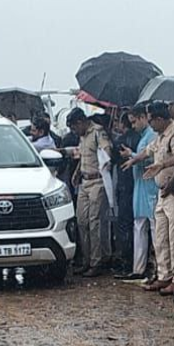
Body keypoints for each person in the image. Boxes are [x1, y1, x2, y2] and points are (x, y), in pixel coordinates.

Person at [141, 102, 174, 295]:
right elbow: (148, 151)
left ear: (159, 119)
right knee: (160, 237)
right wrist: (133, 159)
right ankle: (164, 274)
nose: (150, 124)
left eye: (151, 120)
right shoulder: (160, 137)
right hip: (162, 192)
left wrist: (170, 184)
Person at [68, 108, 112, 277]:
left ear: (80, 122)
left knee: (94, 222)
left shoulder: (97, 132)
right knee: (81, 221)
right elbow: (84, 155)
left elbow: (106, 151)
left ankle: (96, 261)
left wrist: (106, 160)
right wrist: (77, 172)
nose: (74, 131)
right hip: (84, 181)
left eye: (74, 127)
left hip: (97, 181)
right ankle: (86, 260)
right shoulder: (83, 136)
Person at [119, 104, 157, 281]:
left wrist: (132, 156)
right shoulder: (143, 137)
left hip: (150, 188)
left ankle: (159, 270)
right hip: (140, 188)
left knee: (155, 230)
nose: (133, 126)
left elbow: (151, 159)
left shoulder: (152, 136)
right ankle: (138, 269)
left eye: (134, 122)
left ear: (143, 117)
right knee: (140, 227)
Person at [111, 112, 137, 277]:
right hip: (136, 185)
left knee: (124, 225)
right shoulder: (140, 138)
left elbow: (111, 159)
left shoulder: (120, 142)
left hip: (124, 186)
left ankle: (127, 262)